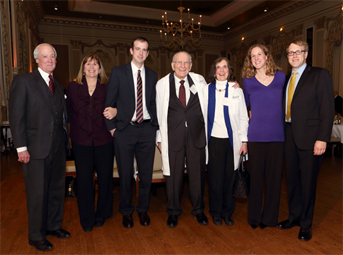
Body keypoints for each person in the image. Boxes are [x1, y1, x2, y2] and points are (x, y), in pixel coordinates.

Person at [9, 43, 70, 252]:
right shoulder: (24, 81)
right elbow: (16, 116)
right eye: (45, 56)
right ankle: (35, 236)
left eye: (53, 56)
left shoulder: (58, 85)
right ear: (37, 59)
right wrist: (21, 148)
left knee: (55, 190)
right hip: (35, 149)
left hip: (58, 148)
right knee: (37, 194)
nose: (50, 60)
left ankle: (53, 226)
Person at [277, 40, 334, 241]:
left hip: (311, 138)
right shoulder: (284, 79)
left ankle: (306, 224)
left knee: (308, 182)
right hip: (288, 136)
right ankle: (294, 217)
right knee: (292, 180)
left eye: (298, 52)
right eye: (290, 52)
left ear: (306, 54)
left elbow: (327, 109)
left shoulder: (319, 75)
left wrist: (322, 139)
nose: (293, 55)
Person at [104, 37, 158, 228]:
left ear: (148, 53)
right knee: (125, 175)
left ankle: (143, 210)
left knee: (145, 174)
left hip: (146, 130)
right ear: (131, 51)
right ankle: (126, 211)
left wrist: (155, 128)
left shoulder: (153, 75)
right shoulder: (118, 73)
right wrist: (112, 130)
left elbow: (152, 103)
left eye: (144, 49)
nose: (141, 53)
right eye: (138, 49)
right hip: (124, 131)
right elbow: (109, 103)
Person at [156, 51, 208, 228]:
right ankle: (173, 211)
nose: (183, 66)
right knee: (173, 177)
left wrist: (233, 84)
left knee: (197, 176)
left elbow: (215, 91)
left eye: (186, 62)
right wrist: (159, 138)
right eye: (179, 62)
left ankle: (199, 210)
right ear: (172, 65)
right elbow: (158, 114)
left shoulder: (200, 81)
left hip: (197, 136)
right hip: (173, 137)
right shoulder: (162, 84)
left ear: (191, 65)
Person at [66, 53, 115, 232]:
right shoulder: (72, 87)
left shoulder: (108, 88)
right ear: (83, 68)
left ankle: (102, 214)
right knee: (85, 181)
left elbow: (118, 108)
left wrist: (115, 111)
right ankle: (86, 219)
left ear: (100, 68)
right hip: (81, 141)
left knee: (105, 179)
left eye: (95, 64)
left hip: (104, 140)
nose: (92, 67)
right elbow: (68, 111)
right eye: (88, 64)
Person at [242, 44, 285, 229]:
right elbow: (242, 108)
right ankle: (254, 218)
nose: (257, 58)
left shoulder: (282, 77)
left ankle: (269, 218)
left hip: (277, 136)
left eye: (260, 54)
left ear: (267, 56)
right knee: (256, 178)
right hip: (256, 135)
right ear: (250, 60)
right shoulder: (247, 80)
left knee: (274, 180)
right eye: (253, 56)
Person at [205, 57, 249, 226]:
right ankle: (215, 212)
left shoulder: (237, 90)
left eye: (225, 67)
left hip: (233, 142)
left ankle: (227, 212)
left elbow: (244, 118)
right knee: (215, 180)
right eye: (218, 67)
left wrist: (244, 141)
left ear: (229, 70)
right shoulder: (206, 89)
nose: (221, 70)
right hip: (214, 141)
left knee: (230, 179)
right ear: (214, 71)